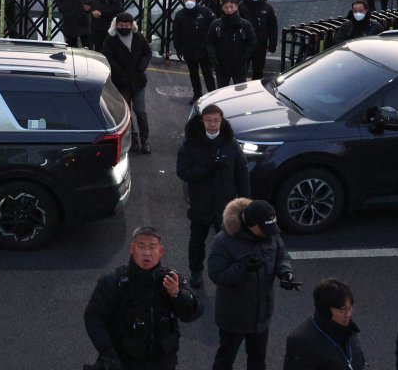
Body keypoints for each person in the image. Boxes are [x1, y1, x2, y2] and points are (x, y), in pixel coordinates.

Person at [84, 226, 203, 370]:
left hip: (163, 363)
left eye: (152, 247)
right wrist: (108, 354)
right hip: (125, 362)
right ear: (132, 249)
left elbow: (193, 313)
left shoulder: (171, 280)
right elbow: (93, 317)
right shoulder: (113, 282)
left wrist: (177, 294)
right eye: (141, 247)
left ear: (160, 251)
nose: (147, 253)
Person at [207, 198, 298, 370]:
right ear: (250, 223)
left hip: (261, 316)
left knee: (257, 362)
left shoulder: (270, 233)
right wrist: (243, 269)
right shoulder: (223, 241)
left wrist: (286, 273)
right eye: (264, 229)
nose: (269, 233)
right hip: (233, 318)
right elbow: (216, 275)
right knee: (225, 360)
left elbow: (281, 256)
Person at [176, 104, 249, 290]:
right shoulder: (190, 144)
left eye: (216, 120)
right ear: (202, 121)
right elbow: (183, 172)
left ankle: (227, 274)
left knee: (227, 243)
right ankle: (196, 273)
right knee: (197, 241)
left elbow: (241, 173)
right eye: (208, 120)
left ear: (221, 121)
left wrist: (246, 202)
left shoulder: (230, 144)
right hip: (201, 203)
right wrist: (206, 168)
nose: (212, 125)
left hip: (225, 206)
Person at [284, 279, 366, 370]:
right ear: (326, 310)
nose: (348, 314)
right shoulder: (300, 342)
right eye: (341, 310)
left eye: (350, 308)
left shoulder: (349, 330)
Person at [102, 13, 152, 154]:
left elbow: (147, 53)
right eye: (121, 25)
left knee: (141, 111)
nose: (124, 28)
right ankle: (133, 138)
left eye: (127, 26)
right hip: (121, 83)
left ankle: (145, 139)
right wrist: (119, 72)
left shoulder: (138, 37)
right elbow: (107, 56)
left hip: (138, 81)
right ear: (116, 25)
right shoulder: (111, 39)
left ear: (132, 25)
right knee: (126, 113)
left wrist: (141, 68)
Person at [171, 0, 216, 105]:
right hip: (189, 50)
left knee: (208, 74)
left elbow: (214, 29)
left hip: (204, 50)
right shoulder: (180, 15)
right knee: (193, 74)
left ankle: (213, 95)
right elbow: (176, 33)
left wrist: (212, 47)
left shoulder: (206, 12)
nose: (188, 1)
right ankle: (197, 95)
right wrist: (178, 48)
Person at [207, 0, 256, 87]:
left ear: (236, 7)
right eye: (226, 7)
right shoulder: (215, 24)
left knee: (240, 91)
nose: (229, 10)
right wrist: (213, 59)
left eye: (231, 7)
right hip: (221, 66)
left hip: (239, 66)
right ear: (222, 8)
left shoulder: (245, 25)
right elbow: (210, 43)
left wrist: (244, 58)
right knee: (222, 92)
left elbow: (252, 42)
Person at [239, 0, 278, 81]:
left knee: (258, 73)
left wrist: (272, 44)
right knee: (241, 72)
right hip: (244, 45)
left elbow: (272, 27)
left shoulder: (267, 8)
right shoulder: (241, 6)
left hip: (260, 45)